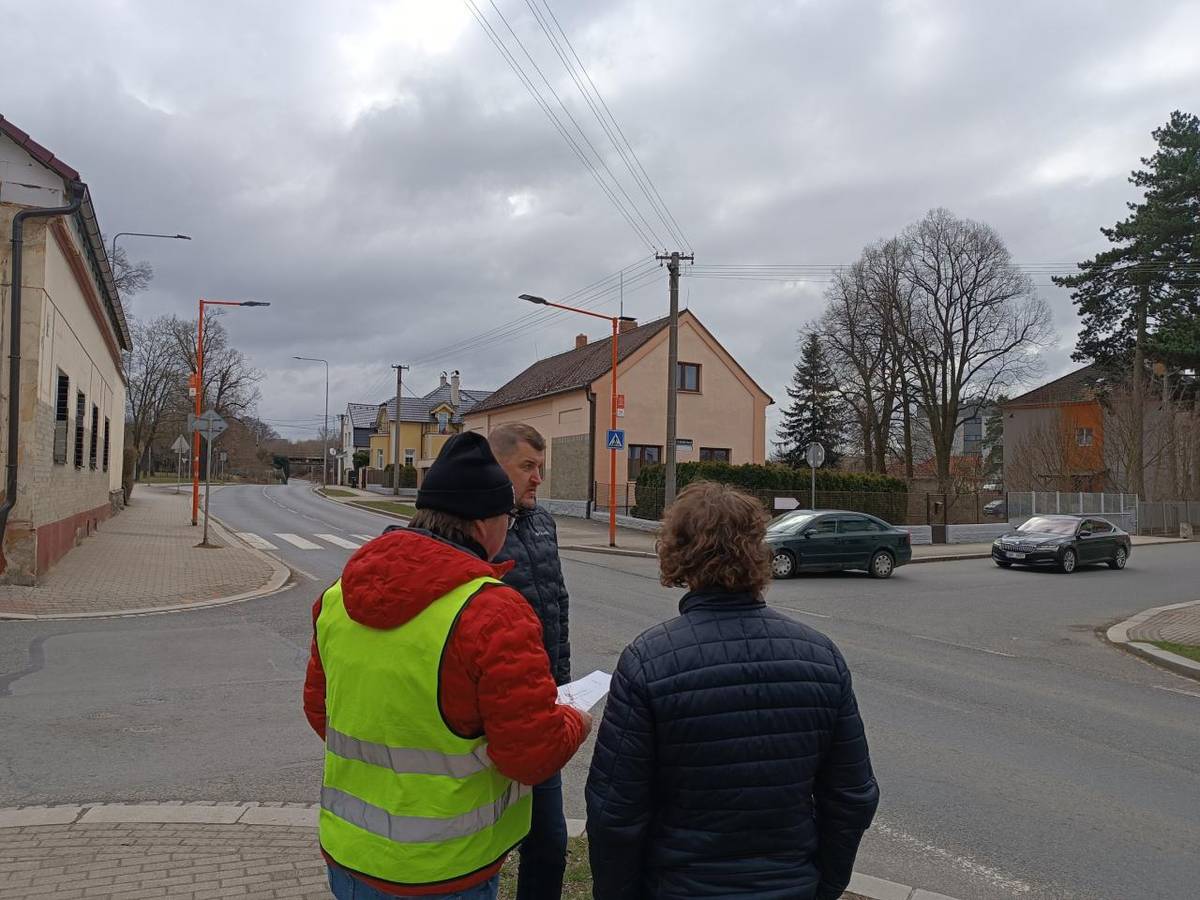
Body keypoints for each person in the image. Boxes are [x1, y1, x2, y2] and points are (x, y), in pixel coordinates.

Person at [303, 431, 591, 899]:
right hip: (445, 870)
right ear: (483, 524)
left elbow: (323, 713)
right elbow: (530, 754)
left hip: (350, 855)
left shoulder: (336, 598)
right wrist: (574, 720)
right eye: (505, 517)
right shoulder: (491, 610)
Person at [585, 482, 880, 900]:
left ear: (678, 553)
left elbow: (615, 811)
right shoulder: (820, 655)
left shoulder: (647, 660)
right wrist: (825, 884)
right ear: (759, 550)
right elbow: (852, 796)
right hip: (790, 882)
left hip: (681, 885)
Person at [486, 423, 572, 900]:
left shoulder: (542, 523)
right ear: (495, 468)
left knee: (549, 843)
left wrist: (561, 686)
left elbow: (557, 604)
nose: (538, 478)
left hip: (542, 705)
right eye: (527, 467)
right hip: (490, 715)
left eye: (540, 467)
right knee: (487, 843)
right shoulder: (476, 526)